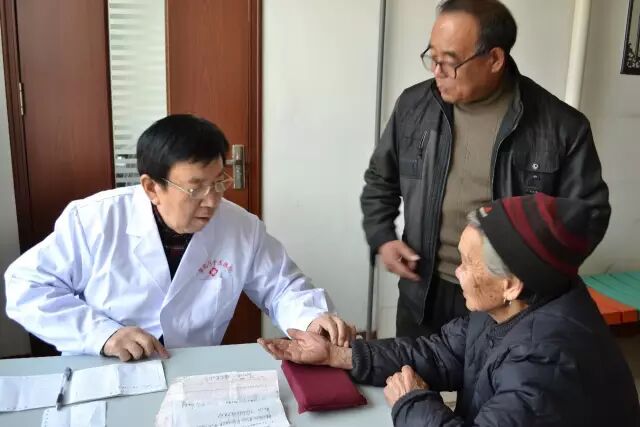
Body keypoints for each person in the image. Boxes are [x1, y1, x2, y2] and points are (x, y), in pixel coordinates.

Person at [260, 194, 640, 426]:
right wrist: (339, 355)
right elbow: (440, 353)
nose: (457, 273)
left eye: (468, 263)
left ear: (510, 284)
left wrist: (413, 402)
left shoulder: (547, 360)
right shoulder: (513, 306)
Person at [5, 114, 355, 361]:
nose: (212, 200)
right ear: (151, 188)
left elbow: (282, 288)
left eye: (219, 182)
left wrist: (311, 319)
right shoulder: (95, 219)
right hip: (102, 365)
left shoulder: (240, 227)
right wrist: (103, 334)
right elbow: (26, 287)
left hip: (191, 369)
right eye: (195, 188)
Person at [360, 0, 611, 338]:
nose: (437, 72)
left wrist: (529, 278)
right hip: (425, 291)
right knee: (411, 370)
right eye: (432, 57)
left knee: (491, 375)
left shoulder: (562, 127)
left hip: (509, 306)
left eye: (450, 62)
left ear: (494, 59)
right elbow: (380, 178)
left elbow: (589, 215)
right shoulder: (413, 106)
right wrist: (382, 237)